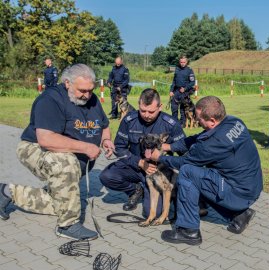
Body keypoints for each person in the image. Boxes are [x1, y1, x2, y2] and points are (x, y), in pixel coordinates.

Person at [0, 64, 115, 241]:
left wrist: (106, 140)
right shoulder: (50, 99)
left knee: (63, 202)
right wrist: (85, 147)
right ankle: (67, 225)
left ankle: (6, 193)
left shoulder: (91, 99)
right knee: (66, 163)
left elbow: (104, 125)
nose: (87, 95)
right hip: (34, 148)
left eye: (90, 90)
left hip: (68, 155)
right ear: (67, 83)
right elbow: (46, 139)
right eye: (82, 90)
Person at [149, 96, 263, 246]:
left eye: (199, 118)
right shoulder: (234, 122)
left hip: (239, 194)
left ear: (212, 121)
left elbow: (184, 162)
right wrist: (168, 147)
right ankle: (240, 215)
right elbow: (197, 138)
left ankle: (188, 230)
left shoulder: (212, 144)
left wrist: (160, 158)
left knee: (188, 172)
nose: (196, 121)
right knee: (202, 178)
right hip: (251, 187)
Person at [99, 88, 186, 218]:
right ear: (138, 104)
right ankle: (135, 190)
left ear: (160, 107)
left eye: (151, 111)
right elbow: (120, 147)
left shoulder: (171, 124)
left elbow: (184, 149)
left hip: (159, 171)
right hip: (135, 166)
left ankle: (157, 194)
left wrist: (168, 147)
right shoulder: (129, 120)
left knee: (153, 214)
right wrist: (139, 162)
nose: (146, 115)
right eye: (143, 110)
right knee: (107, 175)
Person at [170, 55, 195, 127]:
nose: (182, 63)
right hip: (176, 91)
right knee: (174, 107)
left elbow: (192, 82)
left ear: (186, 62)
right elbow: (174, 81)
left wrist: (185, 88)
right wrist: (171, 90)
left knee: (182, 109)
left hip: (184, 92)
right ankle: (174, 122)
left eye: (184, 62)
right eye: (181, 62)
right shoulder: (177, 69)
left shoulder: (189, 70)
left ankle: (182, 123)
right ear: (179, 62)